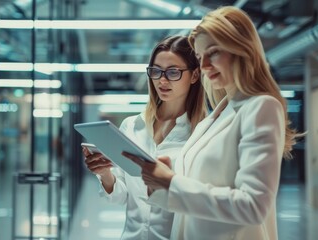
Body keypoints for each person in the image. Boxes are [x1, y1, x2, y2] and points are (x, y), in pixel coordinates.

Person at [123, 6, 300, 240]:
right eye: (199, 56)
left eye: (213, 52)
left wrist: (171, 182)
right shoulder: (217, 115)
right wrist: (159, 184)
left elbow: (254, 207)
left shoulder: (261, 107)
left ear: (241, 49)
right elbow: (195, 190)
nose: (204, 65)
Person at [82, 35, 207, 239]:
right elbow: (121, 197)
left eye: (173, 72)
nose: (162, 80)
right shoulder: (132, 126)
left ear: (194, 75)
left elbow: (204, 203)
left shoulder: (202, 133)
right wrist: (105, 174)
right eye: (156, 71)